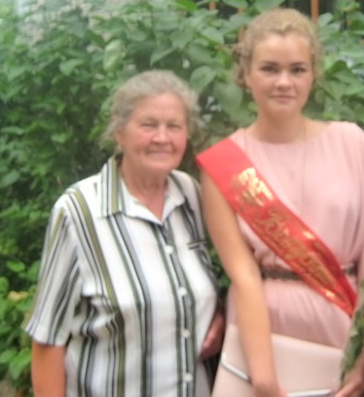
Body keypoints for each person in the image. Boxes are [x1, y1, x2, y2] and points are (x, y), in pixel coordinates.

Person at [197, 7, 364, 397]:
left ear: (313, 74)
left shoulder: (351, 142)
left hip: (344, 325)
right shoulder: (223, 163)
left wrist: (363, 358)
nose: (284, 82)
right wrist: (263, 377)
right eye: (269, 69)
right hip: (262, 334)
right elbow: (244, 276)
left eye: (297, 69)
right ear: (246, 74)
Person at [24, 70, 225, 397]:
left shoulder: (191, 195)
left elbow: (203, 286)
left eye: (174, 126)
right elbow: (47, 339)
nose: (162, 138)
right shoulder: (79, 211)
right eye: (148, 125)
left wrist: (219, 314)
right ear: (119, 132)